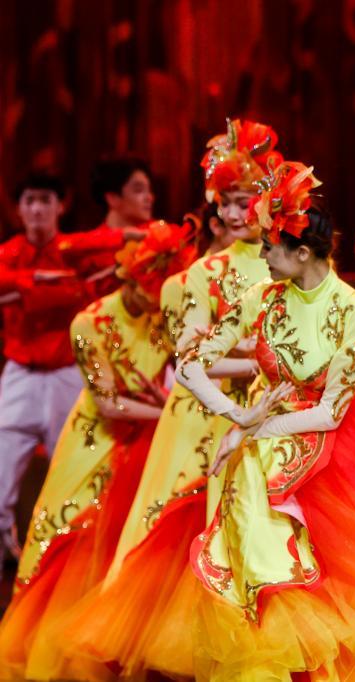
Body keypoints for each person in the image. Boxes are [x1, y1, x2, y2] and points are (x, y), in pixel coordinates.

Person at [173, 161, 355, 680]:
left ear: (303, 253)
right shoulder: (261, 299)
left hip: (333, 455)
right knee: (257, 580)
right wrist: (236, 413)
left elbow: (329, 413)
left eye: (270, 247)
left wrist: (251, 428)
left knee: (339, 591)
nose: (261, 256)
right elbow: (188, 365)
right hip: (257, 456)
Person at [64, 119, 284, 679]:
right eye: (228, 201)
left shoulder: (286, 262)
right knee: (187, 528)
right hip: (205, 417)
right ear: (215, 207)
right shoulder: (196, 277)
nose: (237, 212)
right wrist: (262, 360)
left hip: (272, 409)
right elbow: (191, 362)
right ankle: (192, 649)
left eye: (248, 199)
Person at [0, 222, 193, 681]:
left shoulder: (163, 317)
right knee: (71, 533)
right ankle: (59, 652)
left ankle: (122, 647)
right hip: (98, 439)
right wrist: (171, 410)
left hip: (148, 435)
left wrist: (171, 406)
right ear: (129, 277)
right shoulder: (90, 322)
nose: (154, 301)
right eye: (148, 289)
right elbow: (108, 404)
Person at [0, 172, 123, 561]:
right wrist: (33, 280)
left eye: (45, 200)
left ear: (60, 206)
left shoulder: (74, 250)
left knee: (70, 473)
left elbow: (115, 245)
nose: (37, 209)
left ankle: (63, 562)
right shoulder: (9, 254)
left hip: (66, 375)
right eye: (29, 201)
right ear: (19, 209)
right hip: (20, 374)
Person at [76, 155, 156, 297]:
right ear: (112, 198)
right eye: (139, 190)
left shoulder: (158, 236)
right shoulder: (90, 247)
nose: (149, 197)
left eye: (149, 190)